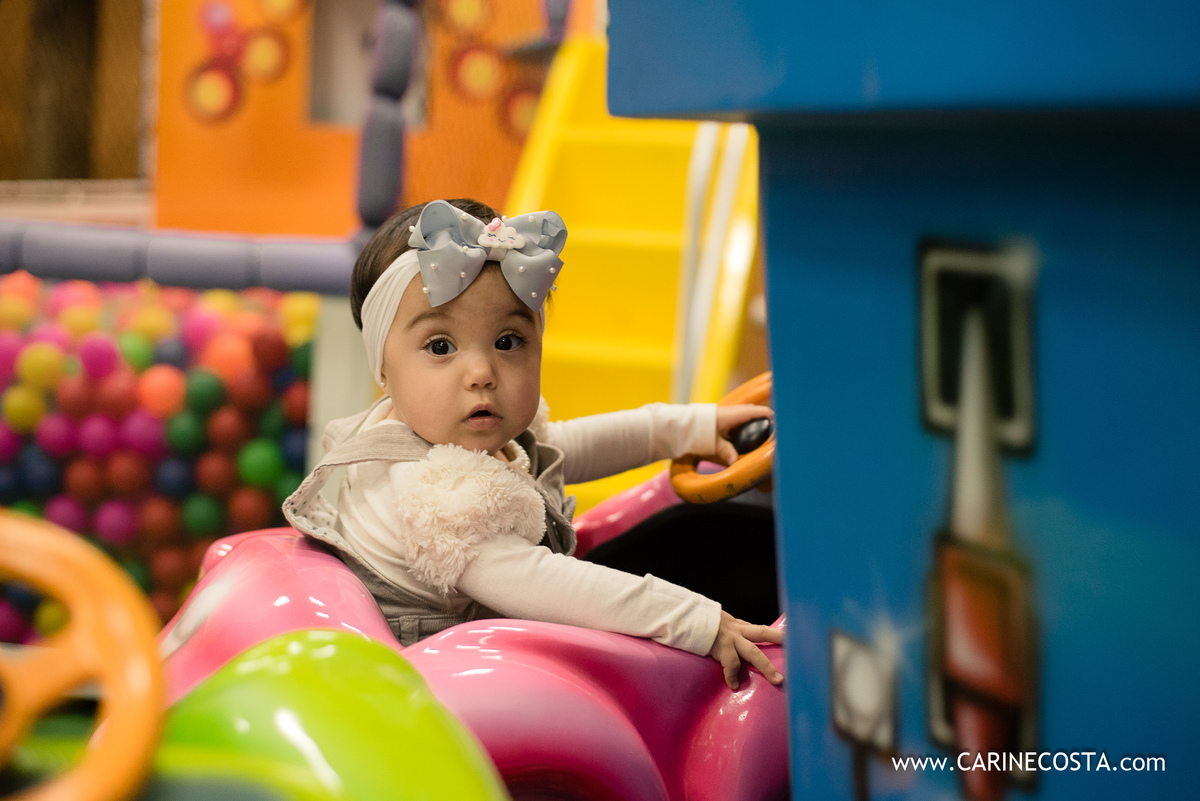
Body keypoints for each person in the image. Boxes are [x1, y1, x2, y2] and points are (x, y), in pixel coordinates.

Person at [284, 198, 782, 690]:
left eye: (508, 342)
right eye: (441, 347)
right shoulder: (436, 495)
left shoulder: (445, 429)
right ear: (384, 370)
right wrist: (699, 621)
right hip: (441, 691)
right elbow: (551, 586)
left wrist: (694, 426)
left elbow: (563, 446)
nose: (481, 373)